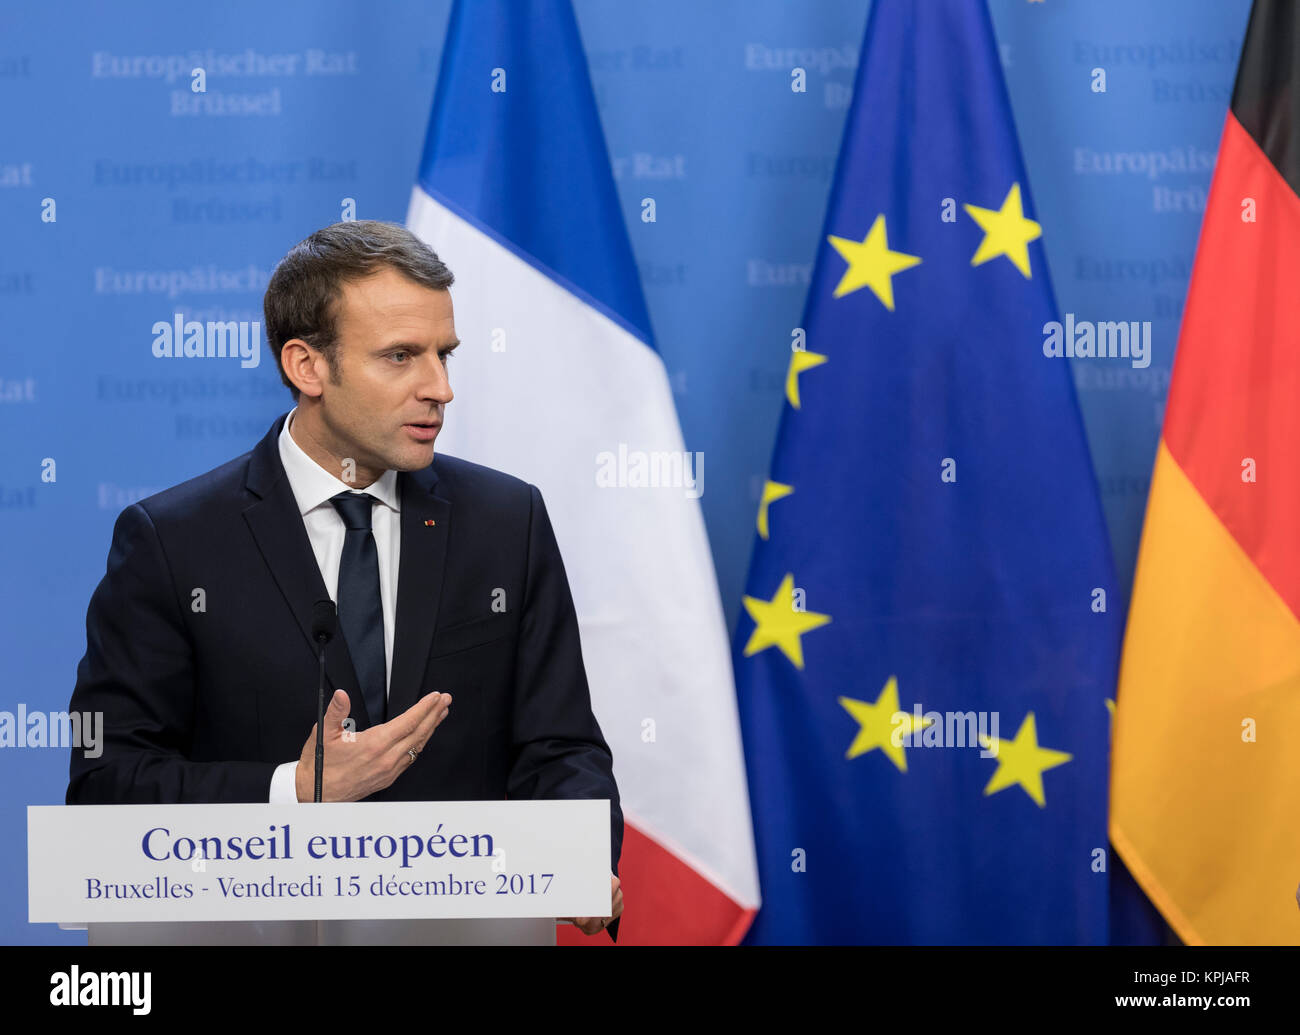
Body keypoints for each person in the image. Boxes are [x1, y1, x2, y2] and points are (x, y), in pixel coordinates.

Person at [67, 220, 624, 938]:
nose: (441, 388)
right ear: (307, 366)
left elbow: (562, 746)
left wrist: (577, 851)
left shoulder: (505, 521)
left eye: (443, 355)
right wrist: (293, 791)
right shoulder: (174, 541)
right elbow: (106, 781)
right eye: (401, 357)